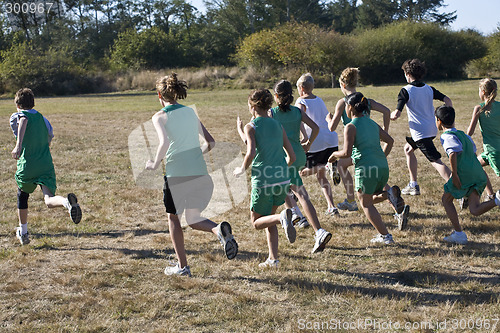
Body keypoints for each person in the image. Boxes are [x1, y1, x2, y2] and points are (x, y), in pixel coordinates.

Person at [146, 73, 238, 277]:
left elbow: (164, 143)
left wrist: (154, 164)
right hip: (200, 174)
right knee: (193, 218)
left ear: (159, 96)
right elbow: (211, 142)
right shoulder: (189, 112)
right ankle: (218, 230)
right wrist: (197, 153)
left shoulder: (159, 116)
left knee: (174, 219)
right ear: (177, 94)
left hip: (177, 175)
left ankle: (182, 267)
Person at [326, 67, 409, 229]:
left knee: (356, 174)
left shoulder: (343, 103)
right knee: (370, 176)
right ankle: (393, 202)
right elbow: (386, 111)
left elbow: (331, 127)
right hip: (371, 143)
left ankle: (351, 200)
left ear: (342, 84)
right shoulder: (365, 101)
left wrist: (328, 117)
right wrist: (384, 132)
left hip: (357, 147)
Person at [10, 88, 82, 245]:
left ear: (18, 105)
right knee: (48, 200)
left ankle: (24, 232)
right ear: (33, 103)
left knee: (22, 196)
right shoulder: (44, 119)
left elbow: (23, 119)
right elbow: (49, 139)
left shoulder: (20, 115)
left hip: (28, 165)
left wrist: (18, 145)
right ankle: (66, 203)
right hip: (45, 164)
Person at [329, 92, 403, 244]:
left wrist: (334, 155)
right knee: (371, 196)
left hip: (365, 169)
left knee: (366, 204)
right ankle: (389, 194)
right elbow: (390, 141)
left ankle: (385, 236)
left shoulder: (350, 126)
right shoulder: (372, 123)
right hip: (382, 167)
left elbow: (346, 153)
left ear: (349, 108)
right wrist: (382, 156)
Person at [234, 89, 296, 268]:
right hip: (283, 179)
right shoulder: (278, 125)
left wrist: (241, 169)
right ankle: (273, 259)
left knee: (256, 222)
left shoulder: (251, 126)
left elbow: (251, 152)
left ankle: (282, 218)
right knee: (269, 217)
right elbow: (291, 156)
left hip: (264, 180)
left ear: (252, 106)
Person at [270, 80, 332, 253]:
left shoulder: (272, 113)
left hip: (283, 158)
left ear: (276, 96)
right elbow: (315, 127)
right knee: (289, 188)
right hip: (298, 155)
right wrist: (308, 144)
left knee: (292, 192)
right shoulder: (297, 111)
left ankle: (310, 225)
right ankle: (300, 218)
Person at [435, 105, 500, 244]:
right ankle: (497, 199)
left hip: (464, 175)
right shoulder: (464, 135)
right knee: (475, 210)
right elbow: (473, 150)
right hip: (478, 173)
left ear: (439, 121)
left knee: (446, 200)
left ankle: (459, 234)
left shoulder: (447, 136)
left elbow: (452, 153)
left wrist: (455, 175)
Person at [391, 59, 452, 195]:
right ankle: (413, 184)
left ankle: (458, 187)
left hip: (420, 134)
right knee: (408, 150)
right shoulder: (429, 88)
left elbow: (397, 113)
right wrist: (448, 115)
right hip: (431, 129)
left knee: (435, 161)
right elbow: (447, 100)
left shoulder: (405, 91)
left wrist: (391, 116)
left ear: (407, 74)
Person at [295, 73, 340, 216]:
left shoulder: (301, 101)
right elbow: (327, 117)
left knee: (302, 172)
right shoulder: (319, 100)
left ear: (301, 88)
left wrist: (304, 137)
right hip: (331, 139)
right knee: (321, 176)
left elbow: (299, 118)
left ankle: (327, 166)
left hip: (315, 141)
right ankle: (332, 207)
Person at [466, 78, 499, 202]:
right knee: (476, 165)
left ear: (483, 92)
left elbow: (470, 132)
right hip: (491, 151)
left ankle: (494, 198)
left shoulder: (479, 108)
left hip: (494, 151)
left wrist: (463, 140)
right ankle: (490, 195)